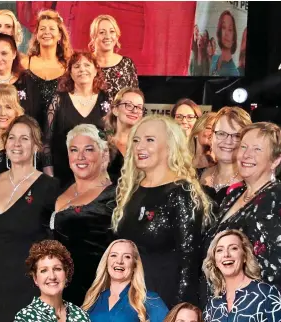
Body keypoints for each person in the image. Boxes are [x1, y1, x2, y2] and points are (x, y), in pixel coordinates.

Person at [112, 115, 212, 308]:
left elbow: (188, 265)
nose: (140, 146)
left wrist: (180, 313)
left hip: (163, 304)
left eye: (150, 140)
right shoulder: (132, 190)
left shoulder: (182, 193)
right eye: (136, 140)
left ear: (170, 146)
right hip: (129, 300)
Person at [0, 115, 59, 322]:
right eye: (12, 138)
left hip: (29, 289)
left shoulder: (49, 187)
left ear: (36, 146)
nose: (16, 144)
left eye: (24, 138)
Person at [203, 122, 281, 288]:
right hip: (219, 301)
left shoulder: (276, 198)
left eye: (257, 149)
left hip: (253, 307)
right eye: (244, 147)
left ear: (275, 160)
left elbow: (273, 270)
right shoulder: (234, 195)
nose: (246, 155)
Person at [51, 124, 116, 305]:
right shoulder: (58, 188)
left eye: (88, 149)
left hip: (93, 295)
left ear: (103, 154)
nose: (80, 157)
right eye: (74, 150)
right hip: (53, 292)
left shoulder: (115, 196)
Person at [43, 51, 109, 187]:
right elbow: (46, 142)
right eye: (77, 66)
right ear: (70, 73)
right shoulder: (58, 100)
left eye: (87, 65)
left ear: (96, 70)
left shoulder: (106, 100)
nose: (82, 69)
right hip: (62, 178)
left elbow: (111, 139)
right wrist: (49, 177)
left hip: (97, 179)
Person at [202, 230, 281, 321]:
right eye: (220, 250)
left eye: (233, 248)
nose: (226, 254)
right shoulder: (212, 306)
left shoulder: (266, 293)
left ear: (245, 256)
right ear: (215, 261)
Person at [82, 239, 169, 321]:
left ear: (134, 266)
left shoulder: (149, 300)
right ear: (106, 263)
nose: (119, 261)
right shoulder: (93, 300)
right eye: (114, 255)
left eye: (127, 257)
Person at [14, 240, 90, 322]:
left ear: (66, 274)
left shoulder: (81, 315)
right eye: (44, 270)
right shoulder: (25, 318)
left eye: (57, 269)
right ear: (35, 278)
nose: (52, 276)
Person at [21, 9, 72, 127]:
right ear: (37, 35)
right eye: (42, 29)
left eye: (52, 29)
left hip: (60, 130)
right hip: (28, 128)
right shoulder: (24, 63)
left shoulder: (69, 66)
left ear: (59, 35)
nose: (46, 32)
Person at [200, 106, 251, 206]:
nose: (228, 141)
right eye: (221, 134)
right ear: (211, 137)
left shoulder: (252, 184)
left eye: (237, 136)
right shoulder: (195, 176)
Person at [89, 15, 138, 102]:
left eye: (112, 31)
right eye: (101, 32)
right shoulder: (84, 63)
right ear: (93, 36)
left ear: (117, 35)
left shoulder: (127, 64)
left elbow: (134, 99)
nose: (107, 36)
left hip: (118, 115)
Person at [103, 87, 145, 183]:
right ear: (115, 110)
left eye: (139, 107)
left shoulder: (146, 146)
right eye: (128, 105)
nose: (134, 111)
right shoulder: (101, 144)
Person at [210, 11, 239, 76]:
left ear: (234, 37)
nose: (226, 33)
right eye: (223, 27)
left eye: (230, 29)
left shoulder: (234, 72)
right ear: (219, 31)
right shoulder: (214, 58)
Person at [188, 112, 217, 177]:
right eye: (209, 128)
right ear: (196, 132)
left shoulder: (219, 164)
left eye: (216, 130)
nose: (212, 133)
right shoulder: (183, 160)